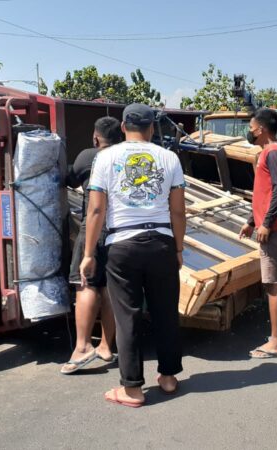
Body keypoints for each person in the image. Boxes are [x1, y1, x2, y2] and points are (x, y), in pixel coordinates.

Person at [80, 103, 186, 408]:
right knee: (166, 311)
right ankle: (167, 377)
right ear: (152, 128)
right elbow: (178, 210)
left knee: (128, 315)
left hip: (122, 245)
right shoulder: (169, 158)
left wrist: (89, 254)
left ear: (124, 126)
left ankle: (132, 389)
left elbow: (97, 209)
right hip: (161, 242)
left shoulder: (105, 158)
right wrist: (178, 248)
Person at [61, 117, 123, 374]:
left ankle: (83, 346)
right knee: (110, 288)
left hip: (95, 228)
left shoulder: (89, 156)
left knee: (84, 282)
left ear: (96, 138)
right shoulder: (126, 156)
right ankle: (107, 347)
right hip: (122, 229)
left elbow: (69, 179)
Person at [239, 108, 277, 358]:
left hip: (275, 230)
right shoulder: (274, 151)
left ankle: (276, 342)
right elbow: (264, 192)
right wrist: (253, 220)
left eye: (251, 128)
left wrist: (267, 223)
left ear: (262, 129)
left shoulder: (272, 153)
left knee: (273, 284)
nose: (250, 132)